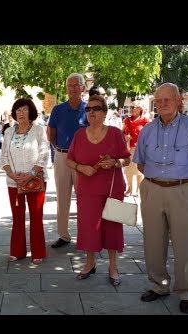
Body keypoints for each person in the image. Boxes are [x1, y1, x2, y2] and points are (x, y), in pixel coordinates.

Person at [133, 83, 188, 314]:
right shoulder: (147, 130)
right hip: (152, 190)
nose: (163, 104)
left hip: (184, 190)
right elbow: (140, 162)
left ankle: (187, 291)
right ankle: (159, 285)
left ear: (179, 100)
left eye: (168, 99)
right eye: (158, 101)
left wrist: (181, 178)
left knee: (186, 242)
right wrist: (160, 179)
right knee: (153, 241)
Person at [66, 95, 131, 285]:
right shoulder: (79, 135)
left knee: (112, 227)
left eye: (96, 109)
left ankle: (112, 266)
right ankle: (90, 263)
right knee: (88, 228)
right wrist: (80, 167)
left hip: (112, 188)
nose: (91, 112)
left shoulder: (115, 133)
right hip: (87, 189)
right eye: (88, 109)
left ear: (104, 112)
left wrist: (115, 162)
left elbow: (126, 158)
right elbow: (69, 159)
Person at [0, 98, 49, 264]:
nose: (21, 113)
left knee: (36, 216)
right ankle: (17, 250)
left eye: (24, 110)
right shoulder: (8, 132)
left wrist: (30, 174)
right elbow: (3, 157)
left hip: (35, 179)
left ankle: (38, 252)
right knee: (17, 216)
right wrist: (12, 174)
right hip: (14, 181)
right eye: (18, 110)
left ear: (31, 112)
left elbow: (44, 154)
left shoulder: (39, 131)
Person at [48, 73, 87, 248]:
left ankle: (86, 235)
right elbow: (51, 135)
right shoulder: (57, 110)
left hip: (83, 159)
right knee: (62, 197)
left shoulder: (89, 110)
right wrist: (62, 151)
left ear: (83, 88)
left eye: (76, 85)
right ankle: (64, 235)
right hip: (62, 156)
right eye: (69, 85)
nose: (72, 88)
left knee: (84, 198)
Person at [122, 100, 149, 196]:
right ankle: (129, 188)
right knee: (128, 169)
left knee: (139, 170)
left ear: (140, 109)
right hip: (129, 148)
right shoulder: (127, 120)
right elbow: (122, 133)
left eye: (134, 107)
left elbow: (150, 135)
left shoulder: (145, 121)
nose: (132, 109)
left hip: (141, 149)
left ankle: (139, 189)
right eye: (131, 107)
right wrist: (125, 137)